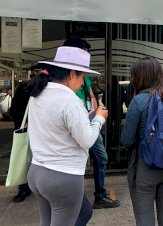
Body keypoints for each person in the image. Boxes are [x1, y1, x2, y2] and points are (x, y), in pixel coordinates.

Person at [26, 46, 108, 226]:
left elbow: (54, 125)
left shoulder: (38, 93)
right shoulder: (69, 100)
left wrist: (84, 119)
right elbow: (86, 140)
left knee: (48, 221)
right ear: (72, 74)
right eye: (82, 75)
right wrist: (99, 119)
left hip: (37, 170)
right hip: (62, 176)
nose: (83, 80)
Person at [121, 57, 163, 226]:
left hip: (146, 166)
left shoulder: (139, 101)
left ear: (139, 77)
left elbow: (127, 140)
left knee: (144, 218)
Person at [63, 37, 120, 209]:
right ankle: (81, 198)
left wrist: (98, 111)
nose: (88, 58)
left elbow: (91, 96)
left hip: (89, 119)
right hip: (79, 121)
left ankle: (97, 195)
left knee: (99, 158)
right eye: (85, 53)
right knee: (78, 159)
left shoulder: (83, 77)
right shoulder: (65, 83)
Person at [9, 63, 40, 203]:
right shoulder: (25, 88)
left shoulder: (45, 89)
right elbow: (14, 110)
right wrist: (24, 122)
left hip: (39, 131)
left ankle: (29, 188)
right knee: (24, 159)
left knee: (34, 159)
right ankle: (24, 188)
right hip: (27, 130)